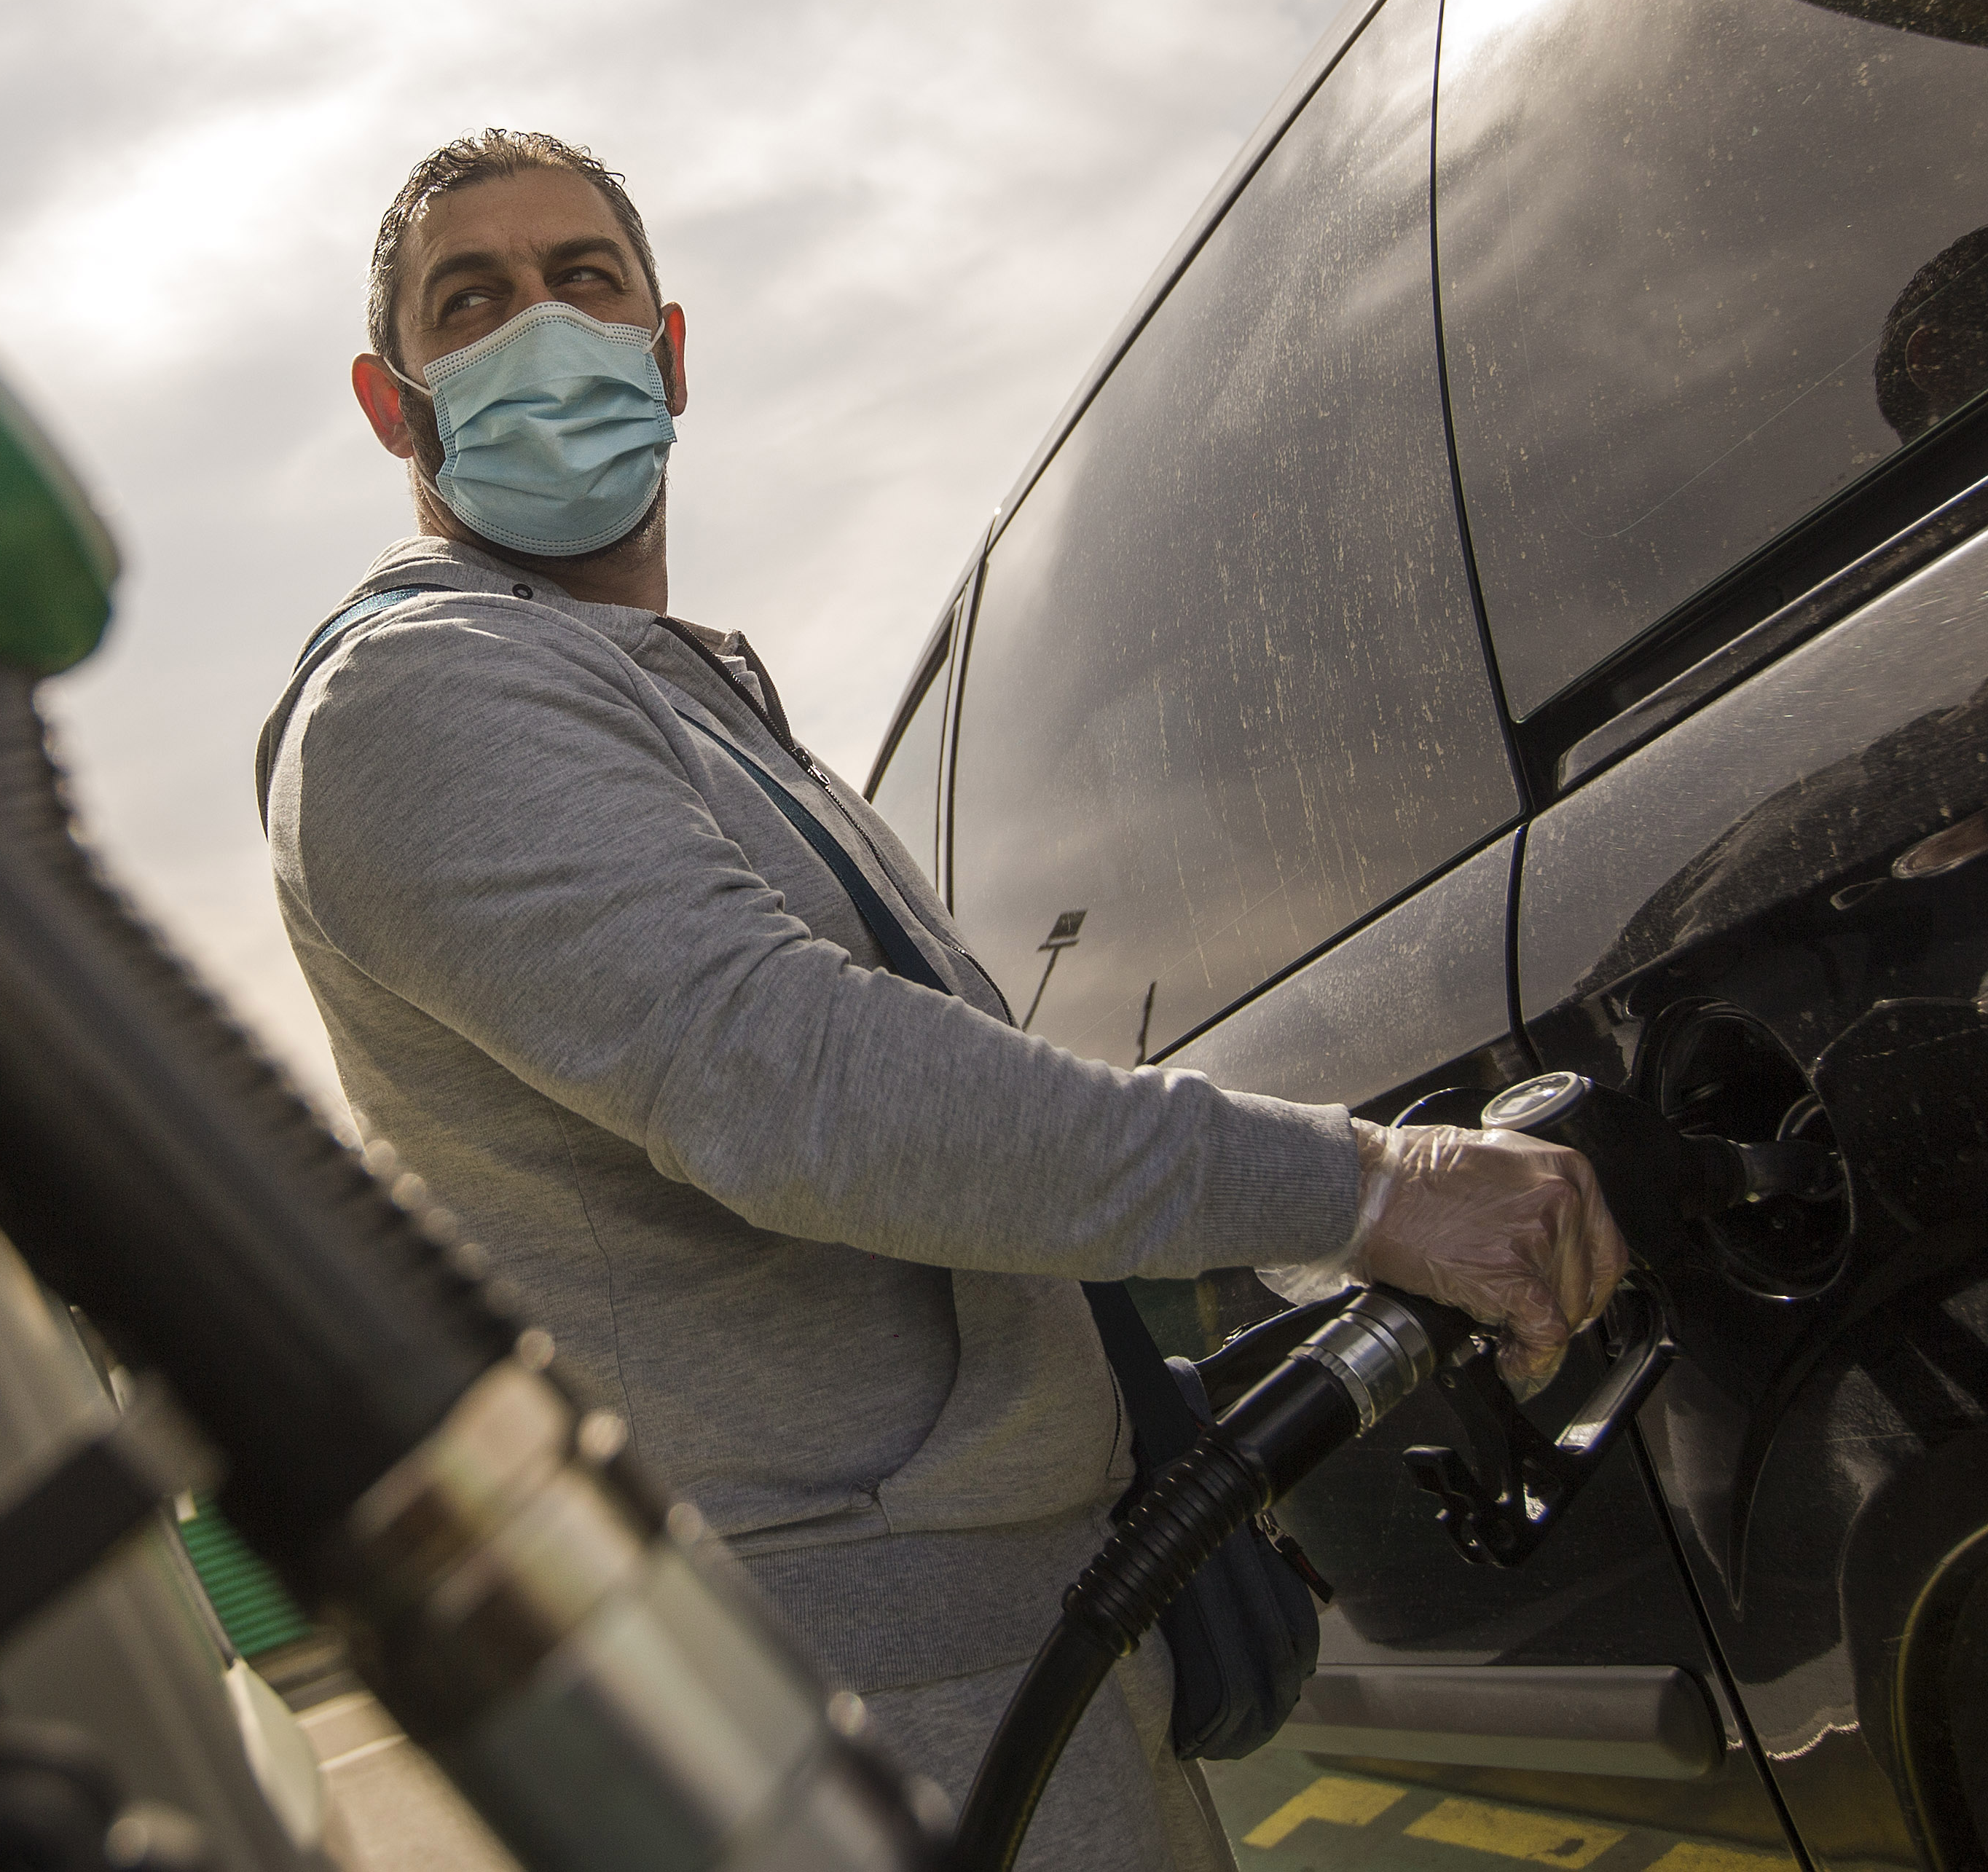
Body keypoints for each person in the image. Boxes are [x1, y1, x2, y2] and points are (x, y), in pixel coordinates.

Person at [258, 129, 1621, 1870]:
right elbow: (800, 1086)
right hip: (853, 1689)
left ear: (665, 354)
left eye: (580, 279)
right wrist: (1363, 1188)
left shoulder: (688, 713)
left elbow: (948, 1126)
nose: (539, 324)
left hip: (1003, 1648)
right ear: (398, 405)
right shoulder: (422, 691)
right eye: (473, 301)